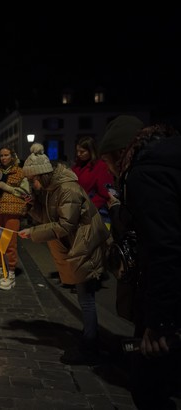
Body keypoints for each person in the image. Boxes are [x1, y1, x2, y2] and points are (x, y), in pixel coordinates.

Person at [99, 116, 181, 410]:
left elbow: (165, 247)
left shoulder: (145, 172)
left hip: (167, 299)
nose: (110, 172)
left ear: (120, 154)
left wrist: (159, 322)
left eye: (108, 164)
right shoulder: (168, 159)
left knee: (148, 386)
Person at [18, 143, 110, 365]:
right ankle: (90, 338)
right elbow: (48, 217)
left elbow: (64, 225)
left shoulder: (66, 189)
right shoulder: (51, 189)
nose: (33, 184)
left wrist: (33, 232)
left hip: (85, 244)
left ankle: (91, 345)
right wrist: (31, 206)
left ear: (44, 174)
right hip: (75, 245)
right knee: (83, 295)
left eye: (34, 180)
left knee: (86, 297)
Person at [0, 147, 30, 290]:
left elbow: (26, 194)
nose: (4, 158)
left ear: (12, 156)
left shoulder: (20, 172)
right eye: (2, 155)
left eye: (6, 155)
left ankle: (10, 273)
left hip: (12, 211)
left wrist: (8, 188)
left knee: (9, 243)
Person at [71, 136, 113, 227]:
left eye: (82, 152)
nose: (78, 154)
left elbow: (105, 193)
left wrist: (88, 207)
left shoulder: (101, 167)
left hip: (95, 211)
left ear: (91, 151)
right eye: (77, 151)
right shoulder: (76, 167)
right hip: (77, 210)